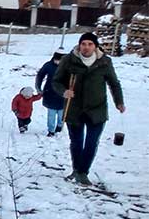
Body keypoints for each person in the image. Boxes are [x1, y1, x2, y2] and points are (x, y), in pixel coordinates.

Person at [52, 32, 125, 185]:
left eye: (90, 44)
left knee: (92, 142)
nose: (86, 47)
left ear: (95, 46)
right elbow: (56, 81)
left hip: (96, 109)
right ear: (79, 45)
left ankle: (83, 172)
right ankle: (77, 169)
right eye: (83, 44)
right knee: (76, 142)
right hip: (74, 108)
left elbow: (114, 83)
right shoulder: (69, 60)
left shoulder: (104, 62)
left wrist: (119, 102)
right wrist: (64, 91)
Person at [35, 50, 66, 136]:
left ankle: (59, 126)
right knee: (51, 114)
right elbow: (40, 76)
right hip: (50, 92)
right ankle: (51, 130)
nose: (58, 62)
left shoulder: (68, 66)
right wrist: (38, 88)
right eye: (56, 59)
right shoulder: (48, 65)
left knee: (61, 114)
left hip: (63, 94)